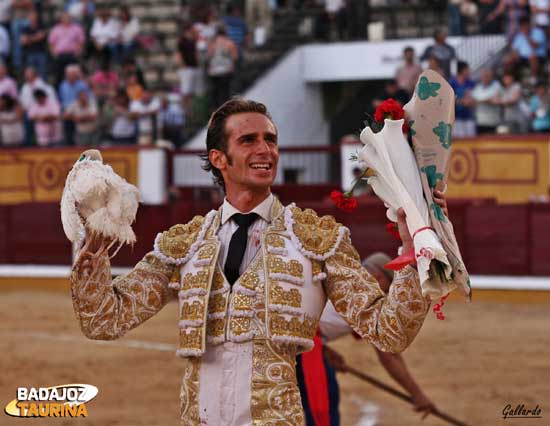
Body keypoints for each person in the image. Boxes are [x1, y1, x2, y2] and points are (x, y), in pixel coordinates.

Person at [69, 97, 450, 424]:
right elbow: (105, 320)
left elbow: (389, 331)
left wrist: (413, 254)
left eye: (270, 139)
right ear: (219, 158)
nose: (265, 149)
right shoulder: (184, 244)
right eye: (248, 140)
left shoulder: (318, 239)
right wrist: (91, 256)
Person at [48, 12, 85, 85]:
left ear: (71, 18)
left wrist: (78, 52)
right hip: (60, 55)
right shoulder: (56, 29)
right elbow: (51, 43)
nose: (66, 19)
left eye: (68, 17)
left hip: (72, 55)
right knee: (59, 76)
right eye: (64, 17)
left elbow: (81, 41)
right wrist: (54, 53)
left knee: (74, 75)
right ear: (61, 19)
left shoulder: (77, 28)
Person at [207, 25, 238, 109]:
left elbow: (209, 56)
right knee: (225, 92)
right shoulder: (229, 43)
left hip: (214, 71)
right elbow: (235, 57)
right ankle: (225, 110)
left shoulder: (213, 43)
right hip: (226, 70)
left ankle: (215, 110)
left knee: (215, 93)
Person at [59, 64, 90, 146]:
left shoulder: (82, 85)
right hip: (67, 114)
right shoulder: (63, 85)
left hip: (79, 113)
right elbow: (61, 100)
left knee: (79, 138)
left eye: (72, 74)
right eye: (68, 74)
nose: (70, 76)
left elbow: (86, 99)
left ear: (76, 75)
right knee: (68, 136)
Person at [471, 68, 503, 134]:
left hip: (493, 122)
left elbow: (493, 99)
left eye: (487, 76)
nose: (485, 78)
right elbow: (472, 100)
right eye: (484, 76)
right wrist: (485, 100)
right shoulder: (478, 87)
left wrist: (479, 100)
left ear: (491, 77)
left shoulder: (497, 86)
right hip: (479, 121)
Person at [450, 61, 476, 138]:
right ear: (462, 70)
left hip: (469, 117)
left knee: (471, 141)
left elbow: (474, 97)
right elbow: (449, 99)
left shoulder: (471, 83)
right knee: (458, 142)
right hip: (456, 118)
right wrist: (461, 101)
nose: (469, 71)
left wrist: (471, 101)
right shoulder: (452, 83)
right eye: (467, 69)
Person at [21, 9, 47, 79]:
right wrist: (36, 37)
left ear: (37, 17)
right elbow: (23, 41)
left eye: (34, 16)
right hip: (30, 53)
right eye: (31, 16)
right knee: (30, 75)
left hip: (41, 53)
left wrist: (29, 38)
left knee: (42, 74)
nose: (32, 17)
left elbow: (42, 36)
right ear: (28, 17)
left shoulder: (41, 26)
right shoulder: (25, 28)